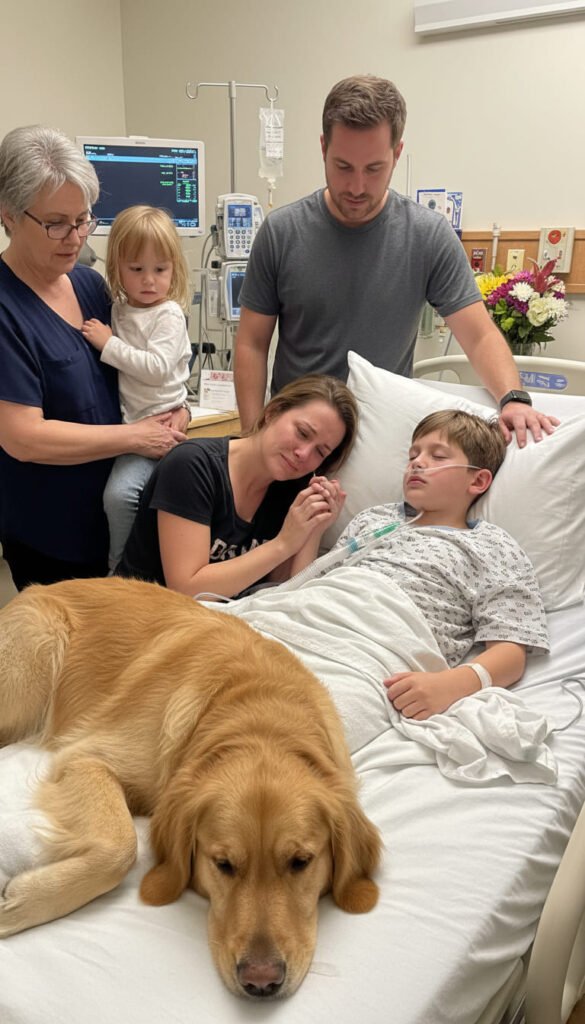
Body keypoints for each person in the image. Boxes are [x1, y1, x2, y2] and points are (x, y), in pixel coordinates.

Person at [234, 75, 557, 448]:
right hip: (295, 439)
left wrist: (512, 397)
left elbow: (479, 335)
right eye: (343, 166)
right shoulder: (281, 232)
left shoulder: (427, 236)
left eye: (373, 169)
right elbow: (252, 344)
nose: (357, 187)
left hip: (379, 437)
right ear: (323, 148)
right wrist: (250, 437)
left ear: (397, 154)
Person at [227, 409, 549, 723]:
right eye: (413, 455)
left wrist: (449, 686)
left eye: (438, 457)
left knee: (282, 719)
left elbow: (511, 650)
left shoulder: (493, 547)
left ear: (478, 480)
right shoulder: (375, 519)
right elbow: (305, 584)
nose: (418, 463)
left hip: (372, 648)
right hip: (302, 619)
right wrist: (315, 530)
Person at [0, 125, 188, 591]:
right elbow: (24, 437)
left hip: (119, 510)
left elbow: (136, 363)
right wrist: (134, 437)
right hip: (52, 533)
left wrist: (176, 410)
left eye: (84, 220)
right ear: (7, 216)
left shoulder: (88, 286)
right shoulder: (7, 309)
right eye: (55, 223)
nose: (74, 237)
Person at [116, 374, 358, 598]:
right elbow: (188, 590)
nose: (303, 454)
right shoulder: (192, 465)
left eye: (320, 451)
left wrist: (314, 528)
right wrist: (284, 542)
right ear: (272, 412)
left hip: (222, 622)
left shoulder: (292, 487)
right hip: (143, 616)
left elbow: (287, 591)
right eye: (302, 433)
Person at [81, 205, 193, 570]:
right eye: (136, 269)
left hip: (159, 427)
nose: (149, 281)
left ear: (174, 267)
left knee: (121, 495)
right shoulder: (119, 309)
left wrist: (108, 344)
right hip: (132, 428)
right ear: (116, 269)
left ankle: (120, 572)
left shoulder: (169, 314)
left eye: (160, 270)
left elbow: (158, 369)